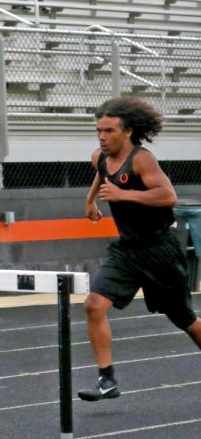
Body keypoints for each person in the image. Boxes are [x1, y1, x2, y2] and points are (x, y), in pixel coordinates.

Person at [78, 97, 201, 401]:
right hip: (126, 249)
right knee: (93, 304)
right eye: (98, 130)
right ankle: (107, 380)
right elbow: (100, 172)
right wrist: (91, 199)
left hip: (160, 249)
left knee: (185, 320)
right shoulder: (101, 156)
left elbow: (167, 196)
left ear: (128, 131)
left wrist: (124, 194)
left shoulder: (142, 159)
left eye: (108, 131)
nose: (102, 137)